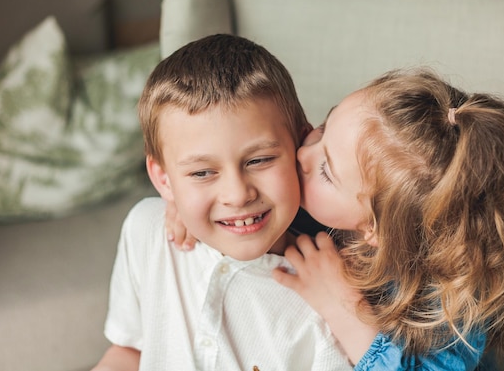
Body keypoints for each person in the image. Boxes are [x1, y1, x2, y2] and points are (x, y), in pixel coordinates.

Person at [169, 68, 504, 370]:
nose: (302, 152)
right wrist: (192, 201)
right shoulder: (331, 205)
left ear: (376, 229)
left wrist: (342, 306)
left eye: (326, 171)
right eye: (324, 128)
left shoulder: (454, 298)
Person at [91, 34, 353, 371]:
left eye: (258, 160)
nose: (237, 194)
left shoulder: (330, 295)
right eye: (202, 173)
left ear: (300, 146)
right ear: (164, 179)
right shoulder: (146, 230)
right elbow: (130, 351)